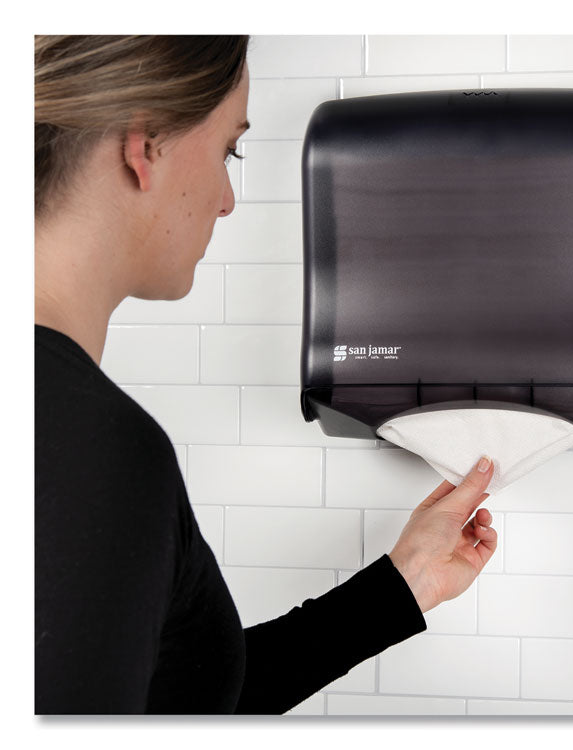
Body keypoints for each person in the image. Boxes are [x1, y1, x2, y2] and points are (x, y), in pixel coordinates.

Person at [34, 35, 498, 714]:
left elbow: (173, 703)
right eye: (229, 151)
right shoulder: (92, 448)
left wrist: (404, 584)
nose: (226, 200)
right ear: (146, 146)